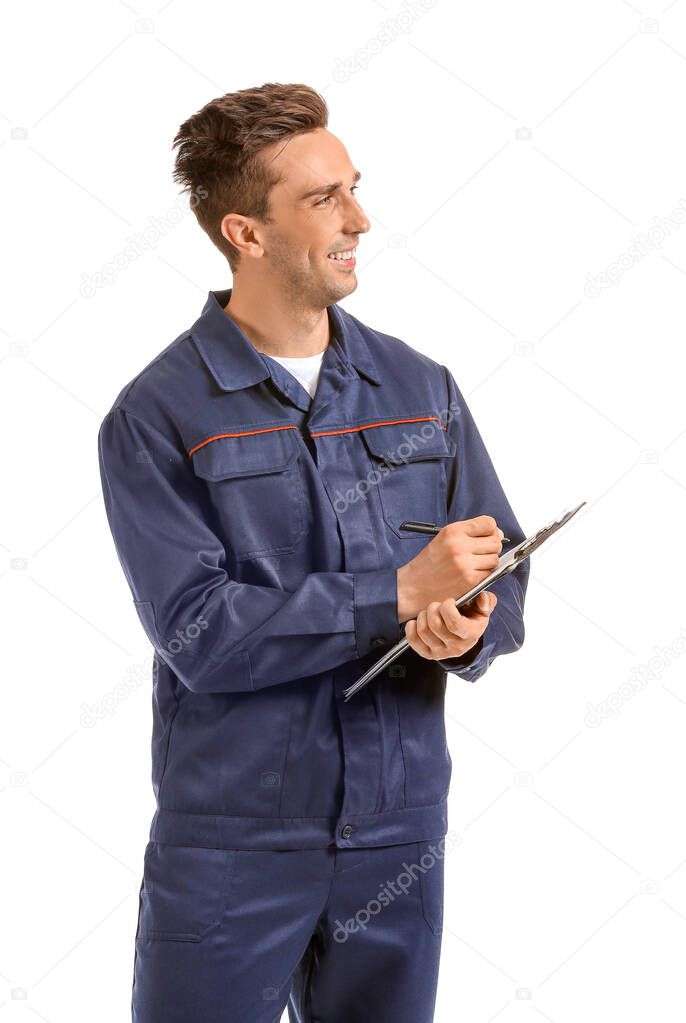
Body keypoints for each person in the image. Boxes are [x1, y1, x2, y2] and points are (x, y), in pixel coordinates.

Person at [97, 82, 529, 1023]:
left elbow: (502, 557)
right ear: (246, 233)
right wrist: (396, 590)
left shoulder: (421, 387)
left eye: (353, 187)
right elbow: (200, 632)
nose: (360, 218)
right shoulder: (158, 414)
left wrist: (470, 628)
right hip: (233, 845)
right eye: (323, 198)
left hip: (398, 830)